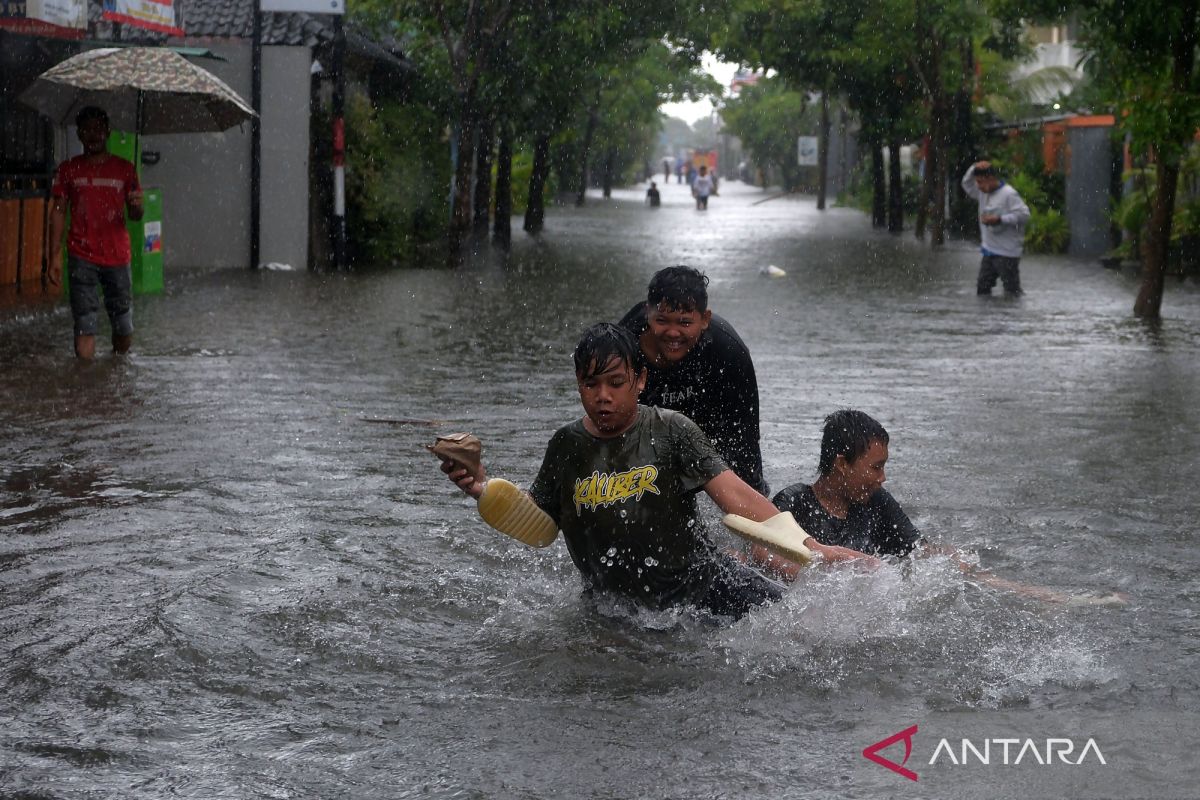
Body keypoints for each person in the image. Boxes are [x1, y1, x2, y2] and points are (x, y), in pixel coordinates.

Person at [438, 323, 869, 619]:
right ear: (578, 384)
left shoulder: (671, 430)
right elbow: (538, 522)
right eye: (591, 385)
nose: (602, 397)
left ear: (640, 380)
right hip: (615, 608)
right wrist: (481, 488)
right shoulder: (566, 446)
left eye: (615, 383)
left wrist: (814, 547)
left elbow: (734, 495)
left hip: (702, 591)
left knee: (799, 626)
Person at [618, 266, 768, 496]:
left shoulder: (728, 352)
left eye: (685, 323)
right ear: (648, 313)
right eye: (662, 320)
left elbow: (745, 439)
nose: (673, 333)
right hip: (649, 417)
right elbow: (608, 422)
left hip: (708, 411)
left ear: (705, 319)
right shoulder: (624, 346)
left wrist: (756, 503)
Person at [764, 410, 923, 577]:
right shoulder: (795, 502)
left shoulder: (877, 501)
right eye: (876, 468)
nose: (882, 478)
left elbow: (921, 552)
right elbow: (762, 552)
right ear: (842, 464)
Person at [48, 106, 144, 360]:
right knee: (85, 321)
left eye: (99, 128)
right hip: (81, 255)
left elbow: (136, 215)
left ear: (108, 132)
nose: (94, 134)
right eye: (87, 129)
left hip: (117, 257)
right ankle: (86, 386)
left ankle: (116, 375)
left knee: (123, 324)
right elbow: (58, 210)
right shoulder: (68, 170)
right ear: (79, 134)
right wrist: (54, 254)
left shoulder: (126, 169)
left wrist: (137, 206)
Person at [961, 160, 1031, 296]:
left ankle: (1014, 316)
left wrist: (1000, 219)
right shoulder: (982, 193)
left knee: (1012, 292)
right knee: (982, 289)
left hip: (1008, 253)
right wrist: (974, 167)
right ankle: (989, 317)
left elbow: (1024, 215)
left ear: (991, 178)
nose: (978, 186)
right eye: (977, 182)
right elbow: (966, 184)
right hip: (989, 251)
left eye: (981, 182)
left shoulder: (1009, 194)